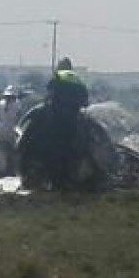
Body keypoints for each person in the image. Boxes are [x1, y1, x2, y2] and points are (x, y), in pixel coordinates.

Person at [44, 57, 90, 190]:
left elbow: (48, 95)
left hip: (56, 119)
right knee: (73, 150)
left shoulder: (58, 77)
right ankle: (71, 180)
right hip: (74, 120)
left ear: (60, 67)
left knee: (54, 149)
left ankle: (55, 181)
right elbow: (86, 101)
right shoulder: (77, 79)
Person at [0, 85, 25, 176]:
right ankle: (14, 171)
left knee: (1, 153)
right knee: (14, 152)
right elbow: (20, 118)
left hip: (0, 130)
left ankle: (2, 171)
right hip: (12, 131)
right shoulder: (18, 104)